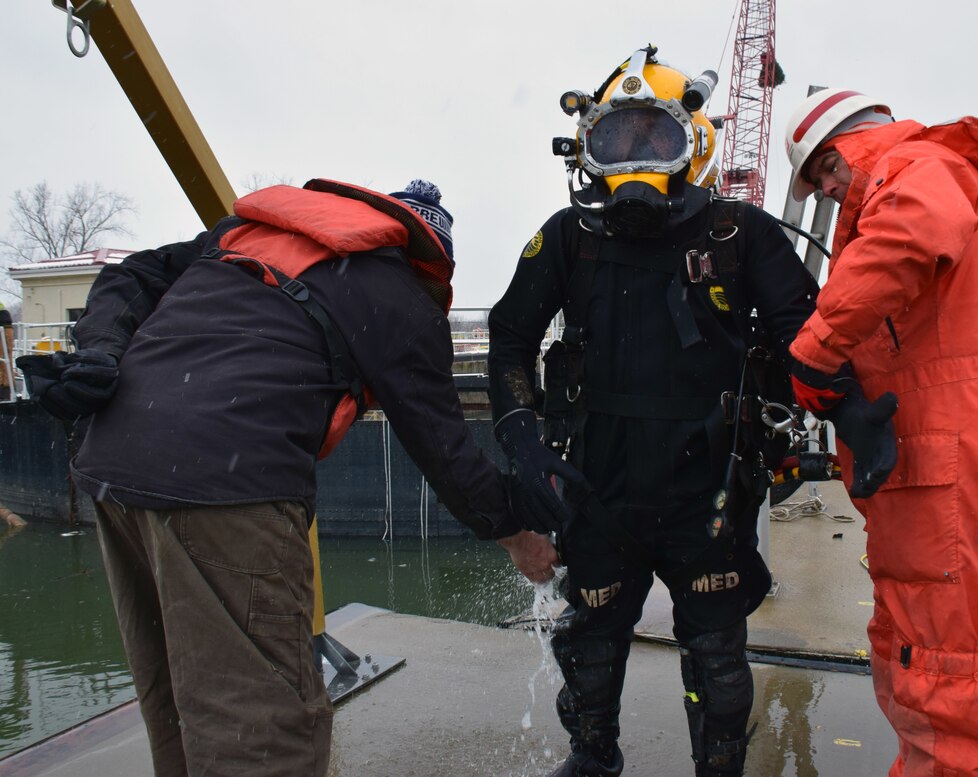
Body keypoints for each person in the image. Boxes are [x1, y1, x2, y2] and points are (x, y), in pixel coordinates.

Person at [17, 177, 556, 777]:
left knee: (175, 690)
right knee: (262, 722)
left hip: (112, 464)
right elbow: (444, 447)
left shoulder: (248, 236)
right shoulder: (398, 296)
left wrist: (99, 351)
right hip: (230, 482)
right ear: (424, 256)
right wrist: (515, 529)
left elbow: (133, 273)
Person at [488, 46, 819, 777]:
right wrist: (521, 435)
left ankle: (720, 765)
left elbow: (809, 334)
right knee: (591, 642)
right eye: (616, 140)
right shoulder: (570, 237)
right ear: (588, 149)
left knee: (717, 654)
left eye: (653, 138)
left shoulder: (740, 234)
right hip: (597, 487)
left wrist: (844, 416)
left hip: (709, 489)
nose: (634, 158)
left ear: (691, 143)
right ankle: (592, 756)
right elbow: (510, 333)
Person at [784, 89, 978, 776]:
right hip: (955, 444)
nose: (824, 189)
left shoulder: (915, 169)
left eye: (822, 172)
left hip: (963, 444)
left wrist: (813, 351)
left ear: (846, 146)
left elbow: (905, 236)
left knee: (947, 670)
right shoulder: (924, 172)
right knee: (920, 650)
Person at [0, 303, 14, 401]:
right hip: (6, 326)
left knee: (3, 360)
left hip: (2, 326)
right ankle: (8, 388)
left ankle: (4, 389)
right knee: (6, 360)